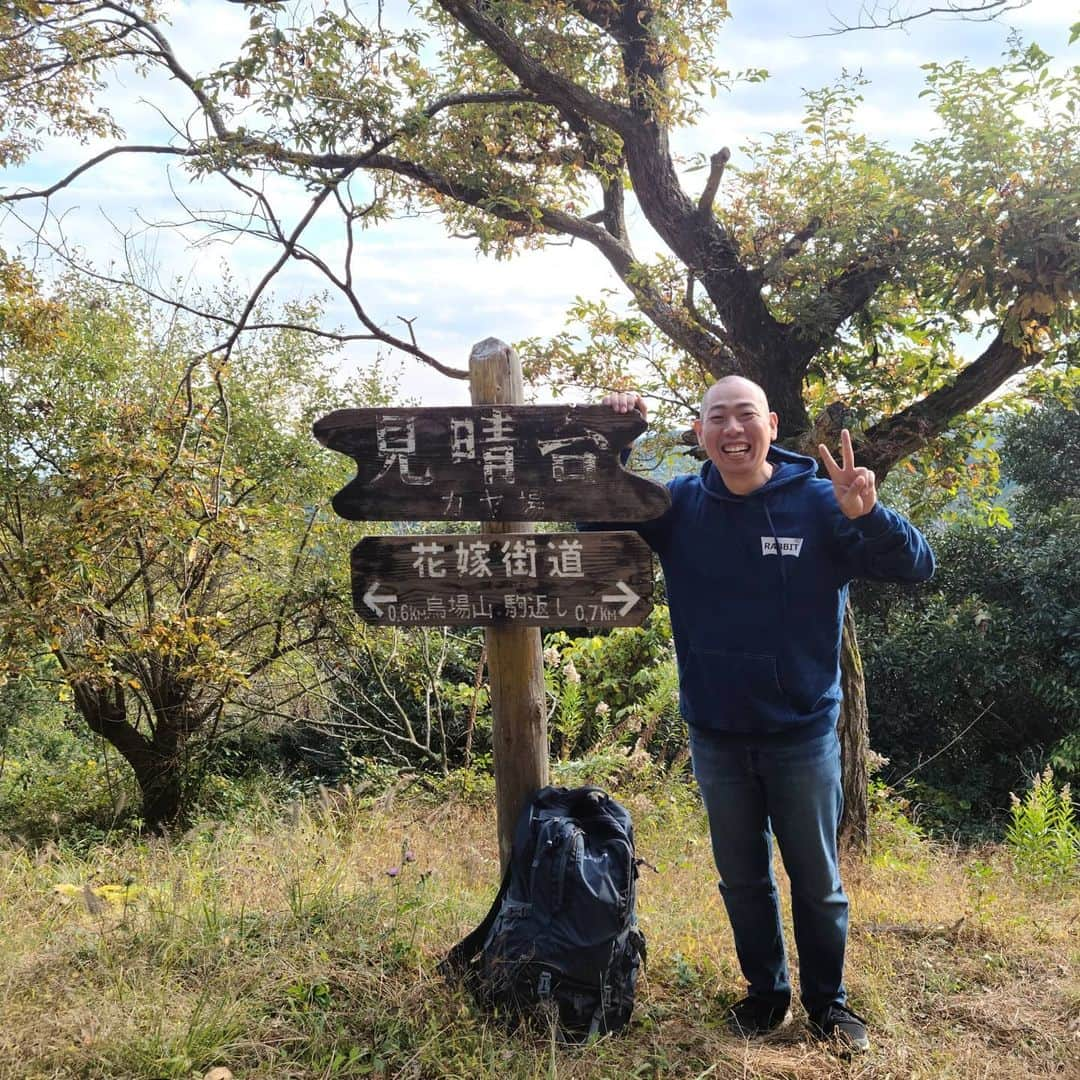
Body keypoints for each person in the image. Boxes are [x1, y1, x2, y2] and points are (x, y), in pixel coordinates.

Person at [602, 377, 935, 1054]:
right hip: (716, 732)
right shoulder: (679, 505)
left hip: (802, 733)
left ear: (771, 425)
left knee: (818, 883)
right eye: (716, 418)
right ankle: (764, 996)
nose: (732, 430)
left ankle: (828, 1007)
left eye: (744, 416)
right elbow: (598, 519)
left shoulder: (821, 502)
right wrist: (616, 437)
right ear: (699, 434)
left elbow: (917, 568)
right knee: (743, 878)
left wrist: (870, 517)